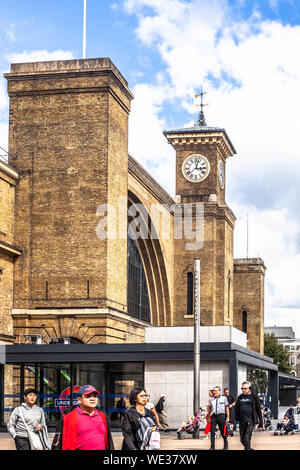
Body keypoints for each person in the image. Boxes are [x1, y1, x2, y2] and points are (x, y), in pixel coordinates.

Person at [51, 384, 114, 450]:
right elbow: (58, 444)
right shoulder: (68, 418)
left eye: (95, 396)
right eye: (88, 396)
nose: (92, 399)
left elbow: (109, 441)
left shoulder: (103, 416)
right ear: (79, 399)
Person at [235, 381, 263, 451]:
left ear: (249, 388)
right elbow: (236, 409)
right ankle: (249, 449)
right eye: (242, 388)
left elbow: (259, 410)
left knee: (247, 439)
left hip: (250, 421)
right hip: (242, 422)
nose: (243, 390)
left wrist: (261, 424)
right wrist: (233, 420)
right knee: (242, 440)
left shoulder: (254, 396)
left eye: (245, 388)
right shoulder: (240, 397)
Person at [208, 386, 230, 450]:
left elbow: (227, 408)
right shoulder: (211, 399)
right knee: (212, 432)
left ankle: (226, 444)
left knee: (223, 431)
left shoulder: (224, 398)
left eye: (216, 391)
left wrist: (228, 417)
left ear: (219, 391)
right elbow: (210, 409)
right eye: (213, 391)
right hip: (214, 416)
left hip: (221, 416)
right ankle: (212, 447)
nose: (214, 392)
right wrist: (208, 417)